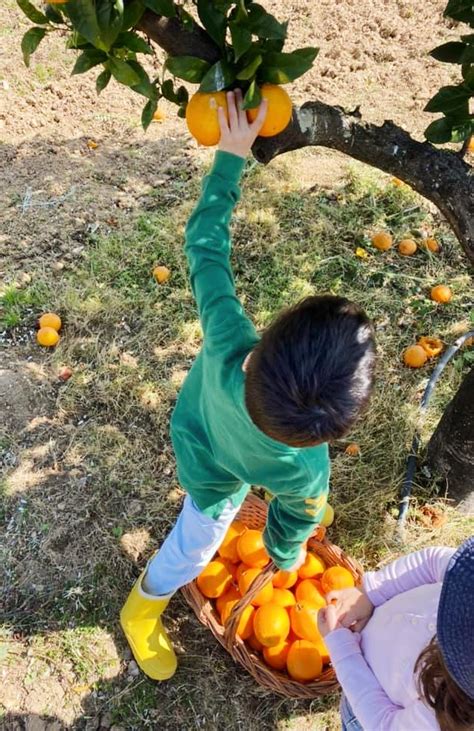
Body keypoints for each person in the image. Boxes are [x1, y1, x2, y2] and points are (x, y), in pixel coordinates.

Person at [120, 90, 376, 681]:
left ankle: (145, 606)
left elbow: (204, 246)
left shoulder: (228, 335)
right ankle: (143, 606)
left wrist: (231, 156)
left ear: (270, 341)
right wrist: (287, 552)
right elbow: (290, 524)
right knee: (195, 547)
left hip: (196, 430)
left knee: (266, 514)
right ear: (332, 428)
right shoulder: (306, 472)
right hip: (217, 478)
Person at [318, 537, 474, 731]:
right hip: (366, 640)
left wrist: (342, 649)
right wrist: (369, 593)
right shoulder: (468, 579)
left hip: (363, 710)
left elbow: (383, 723)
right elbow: (433, 562)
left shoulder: (446, 711)